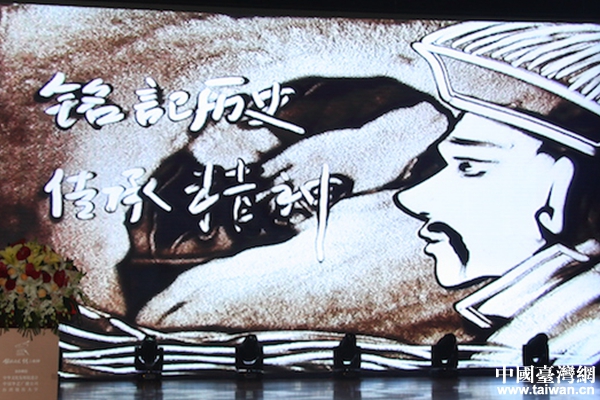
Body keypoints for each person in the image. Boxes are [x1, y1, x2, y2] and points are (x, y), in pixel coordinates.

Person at [394, 21, 600, 365]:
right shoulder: (547, 332)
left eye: (469, 166)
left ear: (559, 190)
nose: (410, 199)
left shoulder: (581, 345)